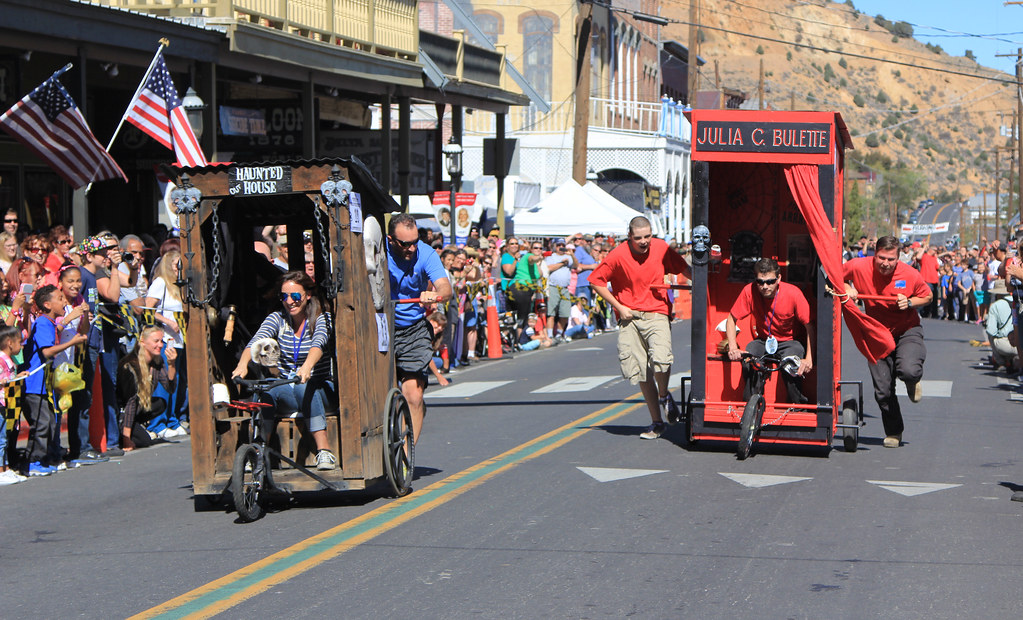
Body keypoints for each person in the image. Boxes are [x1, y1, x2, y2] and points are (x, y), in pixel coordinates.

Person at [589, 216, 691, 440]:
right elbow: (596, 281)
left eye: (648, 236)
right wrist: (619, 307)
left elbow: (685, 268)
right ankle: (657, 423)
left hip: (657, 311)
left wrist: (707, 283)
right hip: (630, 315)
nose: (644, 241)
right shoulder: (618, 254)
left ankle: (664, 396)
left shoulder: (662, 247)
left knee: (661, 359)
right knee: (640, 370)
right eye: (639, 238)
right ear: (629, 236)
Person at [232, 271, 337, 469]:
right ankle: (259, 449)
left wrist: (307, 367)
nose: (290, 301)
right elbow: (257, 340)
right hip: (289, 386)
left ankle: (324, 451)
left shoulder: (321, 318)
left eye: (295, 296)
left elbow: (319, 344)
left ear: (307, 296)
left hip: (320, 387)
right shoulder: (277, 319)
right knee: (267, 390)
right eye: (284, 297)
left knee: (304, 387)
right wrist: (242, 365)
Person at [843, 235, 932, 448]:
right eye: (881, 257)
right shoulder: (857, 265)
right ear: (875, 254)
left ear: (898, 257)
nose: (885, 263)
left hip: (906, 330)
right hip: (877, 335)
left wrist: (910, 302)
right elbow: (831, 275)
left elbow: (927, 296)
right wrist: (847, 287)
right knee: (883, 390)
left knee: (909, 370)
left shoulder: (910, 274)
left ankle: (912, 381)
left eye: (891, 259)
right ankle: (894, 431)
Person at [387, 213, 451, 445]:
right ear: (390, 240)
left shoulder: (426, 253)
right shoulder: (378, 250)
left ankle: (405, 455)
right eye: (405, 244)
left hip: (412, 329)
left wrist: (435, 293)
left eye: (415, 242)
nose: (411, 248)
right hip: (380, 327)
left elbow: (446, 287)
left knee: (414, 395)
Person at [725, 258, 814, 404]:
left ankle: (797, 404)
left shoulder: (793, 293)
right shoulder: (750, 290)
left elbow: (809, 326)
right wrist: (733, 347)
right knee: (749, 357)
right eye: (760, 282)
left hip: (789, 341)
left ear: (779, 278)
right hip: (764, 341)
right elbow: (731, 318)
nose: (765, 286)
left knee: (792, 363)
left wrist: (809, 358)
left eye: (770, 282)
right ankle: (752, 404)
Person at [21, 285, 88, 475]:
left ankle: (42, 460)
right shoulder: (43, 323)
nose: (64, 302)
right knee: (41, 423)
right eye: (60, 298)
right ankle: (32, 462)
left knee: (49, 421)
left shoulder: (50, 323)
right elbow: (47, 351)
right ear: (47, 304)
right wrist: (72, 342)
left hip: (46, 384)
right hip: (35, 383)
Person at [144, 249, 187, 437]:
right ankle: (157, 423)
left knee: (175, 380)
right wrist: (168, 322)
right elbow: (147, 307)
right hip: (165, 339)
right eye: (176, 266)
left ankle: (171, 418)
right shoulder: (160, 283)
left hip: (178, 340)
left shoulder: (178, 286)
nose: (179, 270)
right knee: (163, 380)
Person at [118, 326, 176, 450]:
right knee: (144, 441)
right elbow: (130, 403)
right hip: (123, 412)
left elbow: (170, 389)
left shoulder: (156, 361)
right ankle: (124, 433)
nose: (160, 345)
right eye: (156, 341)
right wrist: (126, 439)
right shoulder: (130, 365)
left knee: (160, 403)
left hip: (137, 409)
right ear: (143, 342)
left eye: (161, 341)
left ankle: (136, 425)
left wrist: (171, 365)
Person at [0, 326, 28, 485]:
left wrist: (17, 377)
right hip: (1, 404)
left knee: (5, 437)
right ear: (10, 343)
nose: (22, 345)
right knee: (1, 439)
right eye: (20, 342)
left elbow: (8, 378)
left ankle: (5, 468)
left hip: (7, 404)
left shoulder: (9, 361)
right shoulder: (1, 360)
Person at [544, 239, 576, 340]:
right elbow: (548, 268)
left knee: (565, 313)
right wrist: (562, 264)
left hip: (565, 288)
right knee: (551, 312)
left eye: (563, 245)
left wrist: (572, 255)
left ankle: (559, 333)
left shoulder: (568, 257)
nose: (561, 247)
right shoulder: (551, 257)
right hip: (553, 287)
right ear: (554, 246)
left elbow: (576, 266)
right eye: (559, 245)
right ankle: (549, 334)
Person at [984, 279, 1016, 371]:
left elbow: (991, 330)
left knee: (991, 336)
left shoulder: (995, 306)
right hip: (1019, 343)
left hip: (1004, 344)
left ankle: (1000, 361)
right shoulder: (1017, 301)